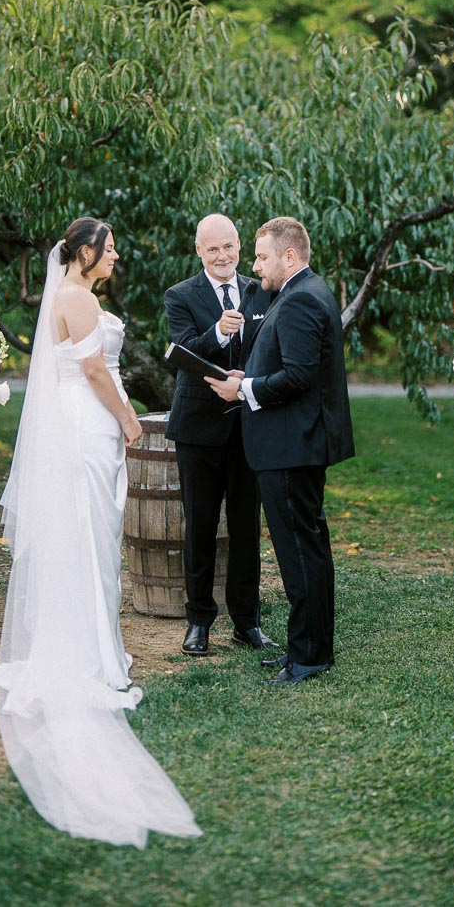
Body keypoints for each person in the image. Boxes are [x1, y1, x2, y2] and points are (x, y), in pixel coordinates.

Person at [0, 218, 200, 847]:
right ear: (84, 252)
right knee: (87, 536)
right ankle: (85, 655)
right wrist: (132, 421)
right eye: (108, 247)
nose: (115, 255)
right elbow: (96, 375)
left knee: (93, 537)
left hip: (83, 427)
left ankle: (88, 642)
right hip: (87, 426)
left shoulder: (75, 296)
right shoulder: (77, 299)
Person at [206, 217, 355, 686]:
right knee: (306, 549)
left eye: (261, 256)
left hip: (292, 447)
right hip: (296, 444)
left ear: (288, 255)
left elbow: (298, 377)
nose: (254, 266)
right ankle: (309, 648)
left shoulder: (300, 300)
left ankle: (308, 656)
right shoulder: (302, 292)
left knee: (299, 554)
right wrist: (245, 378)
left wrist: (243, 388)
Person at [164, 213, 277, 656]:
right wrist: (216, 332)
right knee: (201, 526)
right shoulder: (180, 295)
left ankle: (247, 621)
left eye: (229, 246)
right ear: (199, 252)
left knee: (247, 527)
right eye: (213, 249)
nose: (223, 256)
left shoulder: (260, 289)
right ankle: (199, 621)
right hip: (199, 428)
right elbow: (181, 352)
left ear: (238, 245)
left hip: (249, 425)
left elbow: (272, 347)